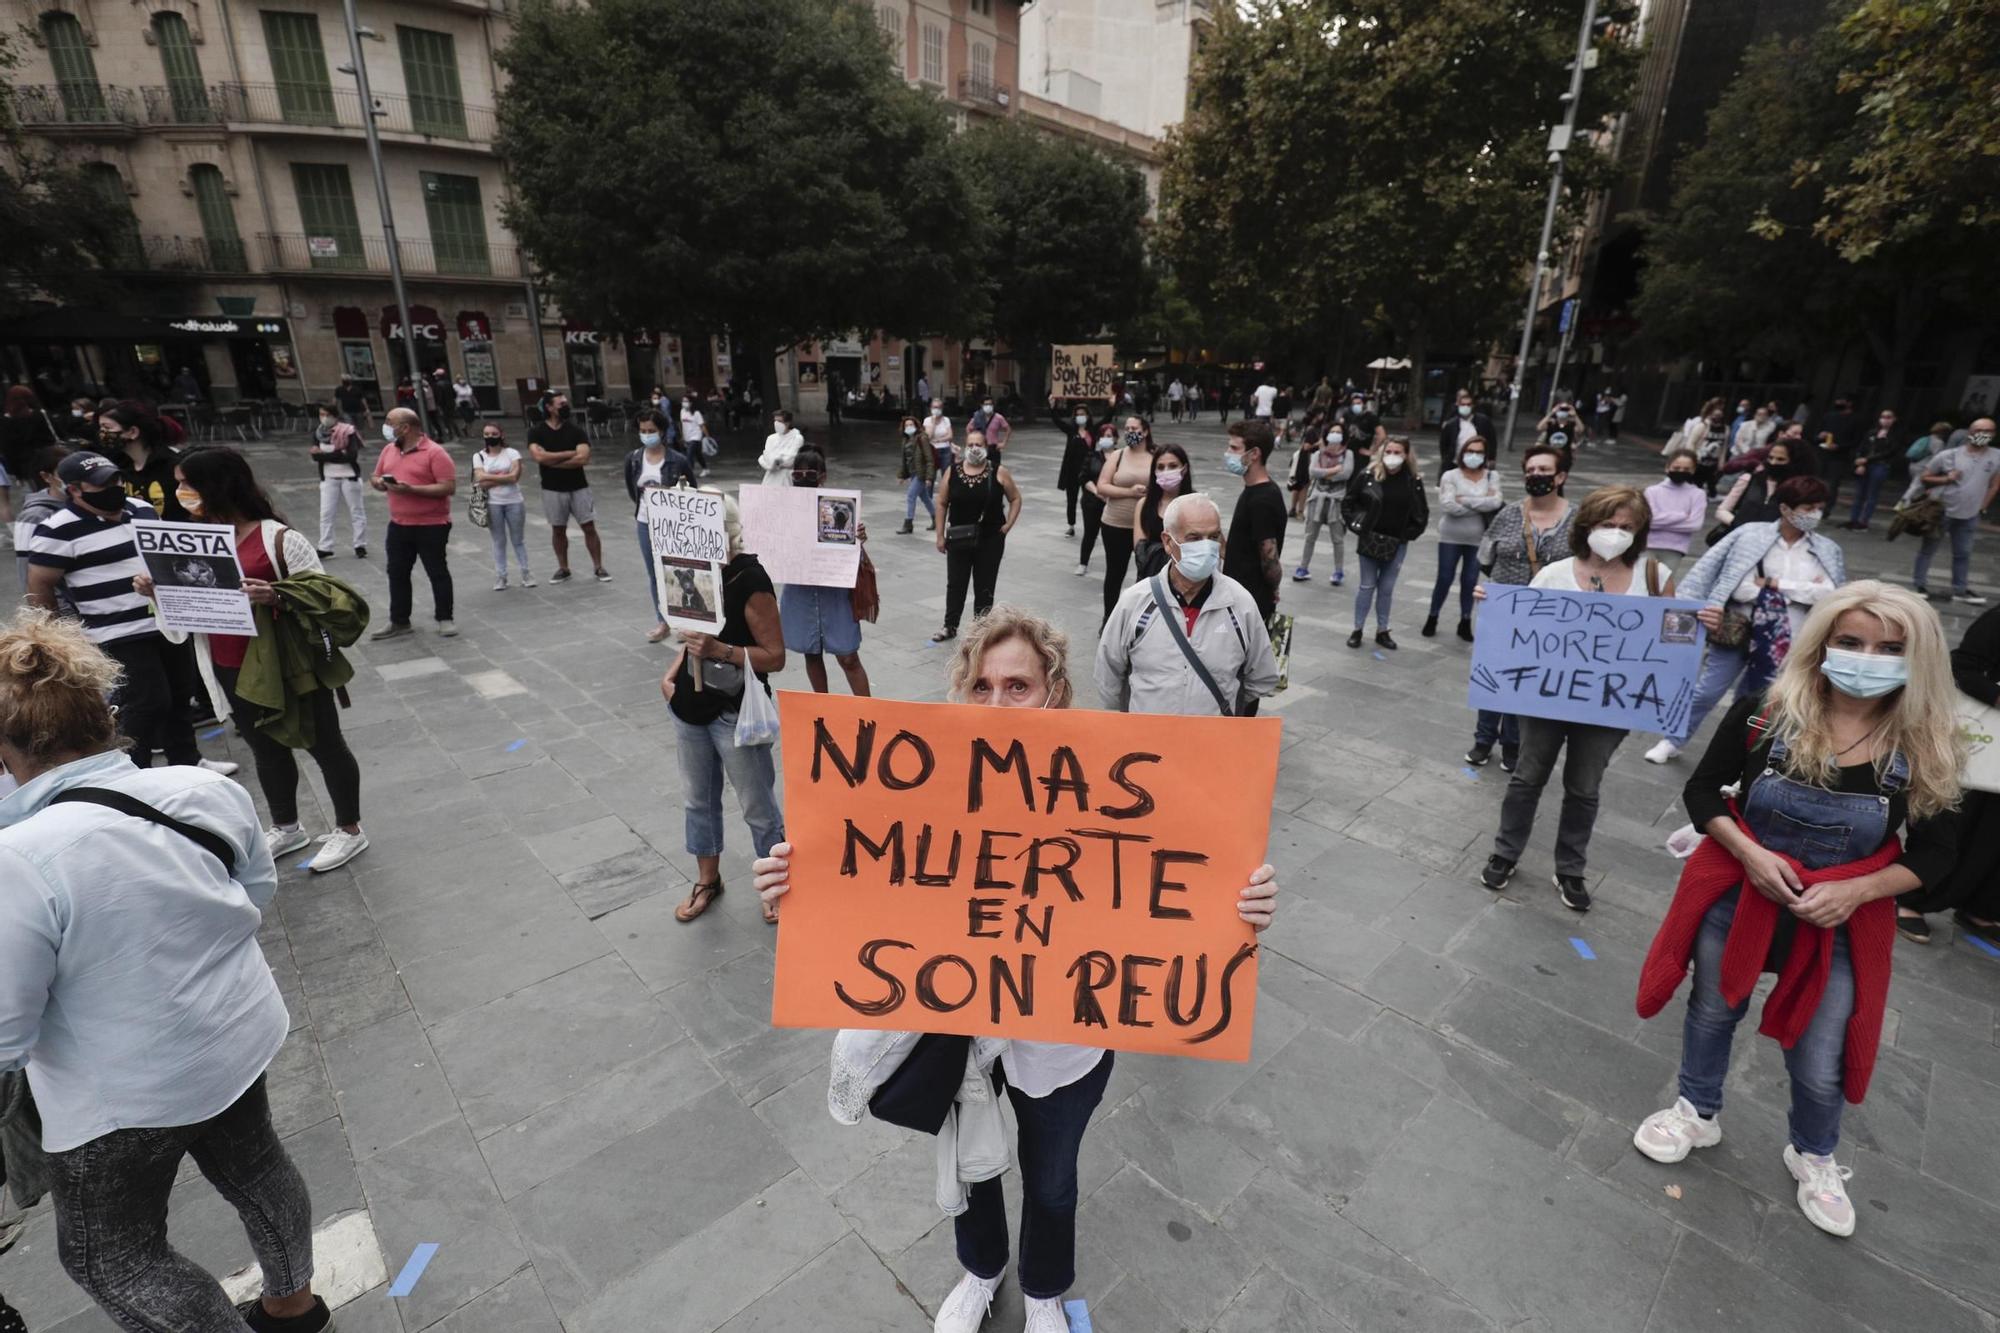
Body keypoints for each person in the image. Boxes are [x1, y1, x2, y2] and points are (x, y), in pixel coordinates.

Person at [752, 607, 1279, 1331]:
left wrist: (1240, 903)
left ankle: (1042, 1288)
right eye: (983, 685)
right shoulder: (927, 787)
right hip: (959, 1027)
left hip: (1063, 1047)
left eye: (1019, 686)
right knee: (972, 1161)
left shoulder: (1103, 790)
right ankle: (981, 1270)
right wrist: (799, 882)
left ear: (1054, 694)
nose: (997, 704)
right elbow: (870, 868)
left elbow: (1180, 875)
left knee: (1053, 1179)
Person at [0, 609, 333, 1333]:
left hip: (121, 1095)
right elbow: (252, 894)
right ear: (103, 713)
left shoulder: (21, 860)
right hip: (234, 1036)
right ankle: (293, 1306)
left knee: (112, 1256)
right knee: (258, 1169)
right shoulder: (206, 791)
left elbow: (6, 1031)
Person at [1632, 583, 1963, 1238]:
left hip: (1838, 922)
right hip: (1741, 899)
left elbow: (1938, 854)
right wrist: (1749, 855)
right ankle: (1697, 1110)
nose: (1867, 657)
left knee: (1821, 1053)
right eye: (1851, 641)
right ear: (1823, 643)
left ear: (1916, 656)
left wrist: (1857, 891)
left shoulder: (1927, 740)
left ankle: (1814, 1151)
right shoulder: (1766, 712)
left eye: (1889, 648)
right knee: (1712, 1007)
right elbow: (1704, 791)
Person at [142, 447, 368, 872]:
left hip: (289, 664)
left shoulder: (278, 538)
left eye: (186, 483)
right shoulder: (191, 538)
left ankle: (349, 828)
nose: (180, 492)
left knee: (325, 745)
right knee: (265, 749)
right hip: (230, 663)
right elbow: (185, 618)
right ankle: (287, 825)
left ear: (215, 485)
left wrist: (275, 594)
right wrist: (158, 594)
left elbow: (325, 597)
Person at [1482, 487, 1678, 911]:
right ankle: (1505, 852)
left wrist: (1700, 623)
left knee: (1584, 787)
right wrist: (1497, 608)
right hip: (1545, 700)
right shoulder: (1554, 574)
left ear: (1640, 532)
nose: (1616, 534)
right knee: (1526, 777)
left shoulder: (1654, 577)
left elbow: (1671, 642)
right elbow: (1520, 633)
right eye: (1608, 525)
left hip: (1609, 706)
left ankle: (1570, 868)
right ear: (1588, 525)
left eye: (1627, 527)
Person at [24, 452, 208, 771]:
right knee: (145, 703)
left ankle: (187, 764)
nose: (114, 487)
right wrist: (56, 636)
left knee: (181, 696)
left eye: (114, 479)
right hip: (116, 631)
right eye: (101, 484)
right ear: (75, 490)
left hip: (165, 621)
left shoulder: (142, 510)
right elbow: (40, 585)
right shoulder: (56, 530)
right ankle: (133, 770)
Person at [1642, 477, 1845, 765]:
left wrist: (1773, 583)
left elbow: (1828, 592)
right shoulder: (1751, 535)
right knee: (1707, 690)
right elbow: (1739, 586)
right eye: (1808, 507)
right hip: (1738, 628)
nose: (1815, 514)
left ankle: (1737, 758)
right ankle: (1672, 739)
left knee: (1757, 701)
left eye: (1819, 507)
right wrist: (1800, 588)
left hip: (1788, 638)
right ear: (1786, 508)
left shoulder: (1826, 549)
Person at [661, 493, 785, 924]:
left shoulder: (749, 579)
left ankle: (777, 885)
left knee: (757, 805)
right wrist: (673, 675)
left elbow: (775, 656)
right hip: (689, 707)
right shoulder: (688, 570)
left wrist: (722, 650)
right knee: (697, 800)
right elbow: (689, 635)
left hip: (735, 710)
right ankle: (707, 880)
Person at [1098, 491, 1279, 715]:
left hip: (1212, 742)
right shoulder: (1135, 601)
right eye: (1194, 538)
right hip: (1148, 742)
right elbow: (1108, 675)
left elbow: (1262, 677)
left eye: (1213, 537)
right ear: (1167, 542)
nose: (1207, 547)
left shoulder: (1240, 603)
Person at [1468, 444, 1575, 769]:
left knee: (1525, 680)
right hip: (1504, 614)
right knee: (1494, 677)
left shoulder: (1579, 519)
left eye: (1543, 470)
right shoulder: (1508, 514)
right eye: (1531, 471)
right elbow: (1486, 557)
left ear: (1560, 476)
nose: (1536, 476)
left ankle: (1513, 744)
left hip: (1550, 621)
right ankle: (1483, 740)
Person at [1897, 605, 2000, 943]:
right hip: (1985, 739)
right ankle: (1911, 900)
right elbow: (1962, 666)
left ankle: (1981, 906)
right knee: (1957, 815)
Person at [779, 447, 870, 696]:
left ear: (823, 476)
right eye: (798, 474)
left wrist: (857, 538)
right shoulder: (783, 509)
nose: (804, 479)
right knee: (811, 652)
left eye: (811, 473)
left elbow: (851, 556)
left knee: (848, 657)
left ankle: (870, 713)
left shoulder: (840, 508)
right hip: (801, 592)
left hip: (834, 591)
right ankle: (822, 707)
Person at [368, 407, 457, 640]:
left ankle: (445, 618)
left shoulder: (435, 453)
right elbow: (375, 475)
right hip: (399, 524)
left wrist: (412, 490)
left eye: (390, 422)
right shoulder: (389, 449)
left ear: (406, 427)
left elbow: (448, 487)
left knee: (436, 571)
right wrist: (378, 483)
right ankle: (399, 620)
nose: (386, 426)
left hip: (431, 524)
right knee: (396, 572)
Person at [930, 429, 1022, 643]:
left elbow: (1015, 498)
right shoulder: (952, 472)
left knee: (985, 584)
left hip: (990, 539)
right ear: (964, 447)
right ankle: (950, 625)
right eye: (970, 444)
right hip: (958, 539)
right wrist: (939, 535)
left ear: (986, 447)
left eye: (978, 444)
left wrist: (1007, 525)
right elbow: (942, 503)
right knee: (956, 584)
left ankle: (981, 630)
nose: (974, 449)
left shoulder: (998, 472)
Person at [1339, 434, 1426, 651]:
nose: (1392, 456)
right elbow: (1349, 502)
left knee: (1386, 588)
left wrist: (1408, 534)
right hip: (1370, 540)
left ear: (1406, 455)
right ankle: (1357, 629)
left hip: (1397, 543)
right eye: (1389, 452)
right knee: (1367, 585)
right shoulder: (1368, 475)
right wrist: (1357, 526)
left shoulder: (1412, 481)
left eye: (1398, 452)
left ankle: (1382, 630)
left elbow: (1421, 512)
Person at [1909, 417, 1999, 604]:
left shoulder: (1996, 456)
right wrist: (1946, 479)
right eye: (1979, 430)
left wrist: (1983, 507)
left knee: (1963, 553)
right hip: (1942, 511)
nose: (1983, 434)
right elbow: (1925, 477)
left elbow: (1994, 485)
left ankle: (1960, 588)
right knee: (1928, 549)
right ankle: (1919, 584)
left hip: (1969, 514)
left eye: (1988, 431)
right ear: (1970, 432)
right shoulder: (1948, 455)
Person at [528, 394, 609, 584]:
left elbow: (583, 458)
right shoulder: (536, 431)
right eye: (561, 404)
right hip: (552, 489)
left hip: (578, 487)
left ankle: (598, 566)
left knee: (589, 527)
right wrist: (570, 454)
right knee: (558, 529)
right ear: (549, 407)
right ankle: (563, 568)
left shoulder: (576, 431)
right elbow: (538, 457)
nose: (566, 406)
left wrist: (552, 460)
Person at [1426, 435, 1500, 641]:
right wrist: (1480, 503)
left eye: (1479, 452)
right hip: (1450, 535)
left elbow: (1496, 502)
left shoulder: (1491, 476)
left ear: (1485, 455)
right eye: (1470, 451)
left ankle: (1465, 620)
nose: (1474, 455)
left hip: (1478, 538)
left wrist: (1465, 500)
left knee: (1470, 580)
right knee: (1444, 578)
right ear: (1462, 453)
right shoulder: (1450, 475)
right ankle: (1433, 616)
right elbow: (1448, 506)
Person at [1221, 420, 1287, 640]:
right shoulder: (1253, 490)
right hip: (1240, 597)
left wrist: (1273, 588)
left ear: (1254, 453)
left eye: (1234, 448)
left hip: (1250, 603)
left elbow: (1269, 555)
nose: (1228, 453)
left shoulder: (1262, 499)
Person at [1091, 415, 1151, 620]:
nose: (1129, 432)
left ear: (1145, 431)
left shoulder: (1156, 455)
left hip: (1146, 525)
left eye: (1134, 428)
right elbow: (1102, 486)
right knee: (1115, 573)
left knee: (1146, 573)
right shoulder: (1118, 455)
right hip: (1115, 523)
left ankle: (1137, 618)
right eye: (1127, 428)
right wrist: (1130, 492)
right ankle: (1109, 619)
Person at [99, 403, 186, 520]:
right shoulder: (117, 466)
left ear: (132, 432)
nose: (102, 433)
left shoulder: (173, 466)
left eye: (107, 428)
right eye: (101, 428)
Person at [1292, 423, 1353, 586]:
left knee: (1337, 538)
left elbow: (1346, 473)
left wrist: (1324, 473)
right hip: (1316, 499)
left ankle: (1338, 571)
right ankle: (1303, 568)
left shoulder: (1348, 454)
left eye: (1338, 432)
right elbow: (1312, 472)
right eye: (1332, 431)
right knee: (1310, 536)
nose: (1335, 434)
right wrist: (1334, 471)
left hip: (1337, 500)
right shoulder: (1318, 453)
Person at [474, 423, 533, 593]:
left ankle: (526, 573)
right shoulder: (478, 456)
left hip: (514, 501)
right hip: (493, 503)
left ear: (501, 434)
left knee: (518, 539)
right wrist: (503, 476)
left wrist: (490, 478)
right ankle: (501, 576)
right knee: (498, 541)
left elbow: (515, 477)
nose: (490, 436)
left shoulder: (512, 453)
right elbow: (480, 480)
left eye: (494, 433)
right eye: (486, 434)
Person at [1713, 437, 1804, 538]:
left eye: (1780, 459)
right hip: (1741, 538)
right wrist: (1739, 524)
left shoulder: (1799, 488)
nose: (1773, 463)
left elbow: (1806, 523)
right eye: (1770, 458)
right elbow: (1722, 510)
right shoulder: (1749, 479)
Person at [13, 443, 71, 599]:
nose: (73, 479)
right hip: (63, 607)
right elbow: (26, 569)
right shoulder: (33, 516)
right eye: (65, 473)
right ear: (46, 476)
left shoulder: (85, 503)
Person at [308, 404, 366, 558]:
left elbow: (351, 455)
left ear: (334, 415)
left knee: (356, 510)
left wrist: (325, 454)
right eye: (321, 414)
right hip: (328, 478)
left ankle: (360, 544)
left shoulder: (348, 431)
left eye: (327, 414)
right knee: (326, 513)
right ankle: (325, 546)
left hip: (349, 476)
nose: (324, 417)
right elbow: (315, 456)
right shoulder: (318, 433)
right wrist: (338, 453)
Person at [1131, 442, 1193, 580]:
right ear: (1154, 472)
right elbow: (1141, 550)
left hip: (1188, 580)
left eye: (1172, 466)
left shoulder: (1195, 504)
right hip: (1151, 579)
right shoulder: (1144, 504)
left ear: (1184, 468)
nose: (1166, 471)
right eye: (1160, 467)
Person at [1643, 449, 1708, 573]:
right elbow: (1648, 521)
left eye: (1686, 469)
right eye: (1676, 468)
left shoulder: (1697, 494)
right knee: (1642, 583)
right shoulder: (1652, 491)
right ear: (1668, 467)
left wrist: (1660, 520)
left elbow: (1694, 525)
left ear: (1693, 470)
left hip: (1675, 549)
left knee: (1664, 586)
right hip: (1647, 546)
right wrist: (1681, 516)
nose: (1681, 472)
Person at [1843, 408, 1903, 529]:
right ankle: (1853, 519)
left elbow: (1890, 451)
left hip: (1880, 465)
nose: (1885, 420)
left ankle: (1864, 521)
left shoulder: (1895, 435)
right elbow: (1862, 447)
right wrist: (1860, 462)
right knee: (1860, 493)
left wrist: (1868, 460)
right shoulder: (1872, 432)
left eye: (1888, 417)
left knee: (1872, 494)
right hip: (1865, 465)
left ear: (1894, 419)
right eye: (1883, 417)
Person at [1438, 388, 1498, 481]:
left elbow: (1491, 440)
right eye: (1463, 404)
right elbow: (1444, 444)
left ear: (1473, 406)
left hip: (1478, 463)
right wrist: (1446, 459)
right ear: (1458, 405)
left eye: (1468, 405)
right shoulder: (1451, 424)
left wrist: (1491, 458)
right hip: (1455, 464)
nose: (1465, 407)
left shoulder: (1483, 421)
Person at [1054, 405, 1094, 540]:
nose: (1080, 416)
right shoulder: (1071, 431)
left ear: (1088, 416)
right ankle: (1071, 526)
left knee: (1089, 501)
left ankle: (1090, 525)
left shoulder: (1092, 431)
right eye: (1077, 414)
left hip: (1088, 472)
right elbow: (1057, 421)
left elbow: (1107, 419)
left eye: (1083, 414)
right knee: (1071, 500)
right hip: (1071, 472)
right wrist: (1053, 406)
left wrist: (1112, 405)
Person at [897, 413, 937, 534]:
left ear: (916, 426)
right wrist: (902, 475)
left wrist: (929, 477)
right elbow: (905, 460)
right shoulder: (905, 440)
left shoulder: (922, 438)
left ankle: (908, 523)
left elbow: (929, 458)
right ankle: (937, 518)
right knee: (925, 498)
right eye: (906, 425)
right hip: (913, 473)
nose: (909, 427)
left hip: (921, 473)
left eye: (911, 424)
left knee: (910, 496)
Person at [758, 408, 804, 487]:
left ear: (788, 423)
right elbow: (766, 457)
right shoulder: (771, 438)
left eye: (779, 421)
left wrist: (777, 461)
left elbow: (791, 459)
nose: (776, 424)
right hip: (770, 477)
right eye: (775, 421)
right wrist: (773, 462)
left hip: (787, 477)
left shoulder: (797, 438)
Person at [678, 392, 708, 470]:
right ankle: (705, 468)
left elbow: (702, 426)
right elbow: (682, 424)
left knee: (689, 454)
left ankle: (690, 472)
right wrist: (682, 436)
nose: (684, 403)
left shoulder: (696, 413)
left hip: (696, 437)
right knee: (698, 454)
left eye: (686, 401)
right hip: (687, 436)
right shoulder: (682, 411)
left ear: (691, 403)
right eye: (683, 401)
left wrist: (707, 436)